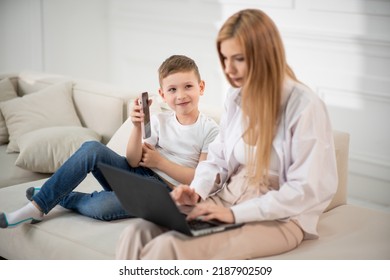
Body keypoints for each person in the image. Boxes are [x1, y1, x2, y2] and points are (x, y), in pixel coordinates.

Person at [115, 9, 338, 260]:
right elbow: (218, 159)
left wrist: (234, 215)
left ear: (265, 54)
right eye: (224, 58)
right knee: (138, 231)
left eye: (238, 58)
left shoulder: (304, 105)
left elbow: (304, 191)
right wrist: (196, 191)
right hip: (227, 196)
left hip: (281, 217)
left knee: (169, 247)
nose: (228, 69)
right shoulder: (236, 97)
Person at [0, 55, 219, 228]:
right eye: (172, 89)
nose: (181, 95)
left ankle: (55, 196)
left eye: (188, 86)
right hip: (139, 174)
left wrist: (160, 163)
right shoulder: (161, 120)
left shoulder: (210, 130)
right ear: (162, 94)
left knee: (103, 207)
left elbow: (198, 178)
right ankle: (37, 206)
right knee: (91, 149)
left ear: (201, 87)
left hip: (163, 191)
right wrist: (136, 126)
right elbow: (133, 161)